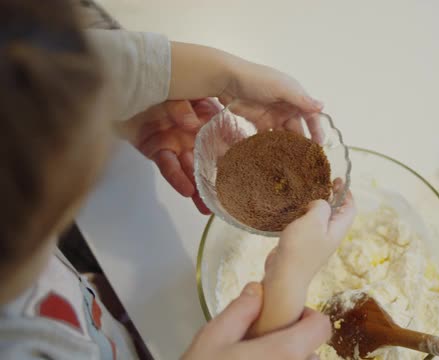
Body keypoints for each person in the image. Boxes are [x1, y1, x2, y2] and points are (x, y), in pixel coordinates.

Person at [0, 0, 355, 359]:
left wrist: (222, 73)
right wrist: (285, 285)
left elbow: (55, 65)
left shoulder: (19, 239)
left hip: (95, 317)